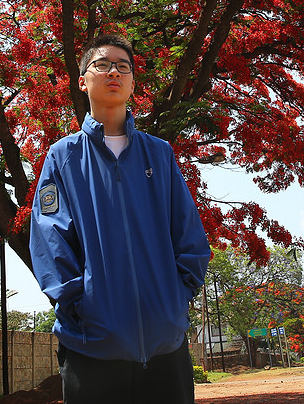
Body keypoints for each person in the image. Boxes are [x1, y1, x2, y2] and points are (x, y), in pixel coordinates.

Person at [30, 34, 211, 404]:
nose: (113, 71)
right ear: (83, 81)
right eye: (102, 64)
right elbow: (50, 241)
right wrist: (80, 307)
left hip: (166, 350)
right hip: (92, 348)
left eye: (123, 66)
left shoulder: (159, 155)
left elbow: (189, 233)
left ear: (132, 83)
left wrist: (176, 300)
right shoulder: (62, 157)